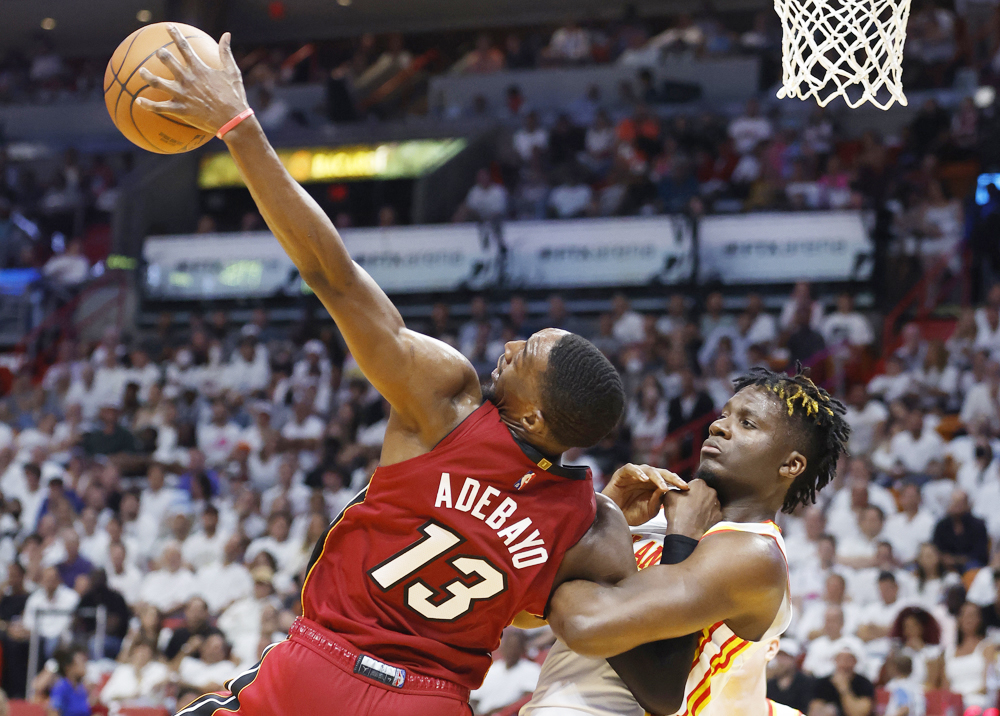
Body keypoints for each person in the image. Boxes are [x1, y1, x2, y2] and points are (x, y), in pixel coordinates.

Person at [141, 27, 695, 716]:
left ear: (532, 414)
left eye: (526, 353)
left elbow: (334, 276)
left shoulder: (448, 402)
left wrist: (238, 125)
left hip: (319, 667)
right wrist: (642, 531)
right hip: (427, 702)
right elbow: (542, 619)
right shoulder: (590, 527)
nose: (510, 345)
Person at [525, 367, 850, 715]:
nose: (718, 426)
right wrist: (601, 513)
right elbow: (525, 614)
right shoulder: (662, 513)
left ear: (791, 465)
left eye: (747, 423)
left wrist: (608, 537)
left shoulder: (756, 554)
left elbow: (586, 625)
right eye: (724, 414)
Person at [469, 628, 540, 714]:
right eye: (508, 646)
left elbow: (527, 699)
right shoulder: (491, 669)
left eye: (515, 647)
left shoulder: (531, 669)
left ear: (522, 649)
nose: (511, 651)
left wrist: (499, 711)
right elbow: (474, 699)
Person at [808, 637, 874, 716]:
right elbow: (814, 711)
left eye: (848, 659)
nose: (844, 664)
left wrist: (844, 689)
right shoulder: (822, 683)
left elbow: (859, 713)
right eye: (840, 659)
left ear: (855, 661)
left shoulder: (864, 684)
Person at [767, 639, 815, 713]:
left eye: (786, 657)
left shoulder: (806, 682)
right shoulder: (770, 684)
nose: (781, 661)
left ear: (794, 659)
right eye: (779, 656)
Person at [49, 645, 93, 716]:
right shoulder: (61, 687)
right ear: (68, 667)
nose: (84, 666)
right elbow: (53, 711)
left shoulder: (81, 689)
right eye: (81, 663)